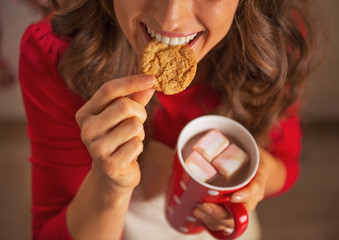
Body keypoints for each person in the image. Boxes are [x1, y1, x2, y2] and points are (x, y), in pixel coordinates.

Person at [19, 0, 326, 239]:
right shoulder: (57, 54)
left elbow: (285, 162)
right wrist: (107, 182)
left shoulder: (273, 44)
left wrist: (251, 184)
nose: (170, 20)